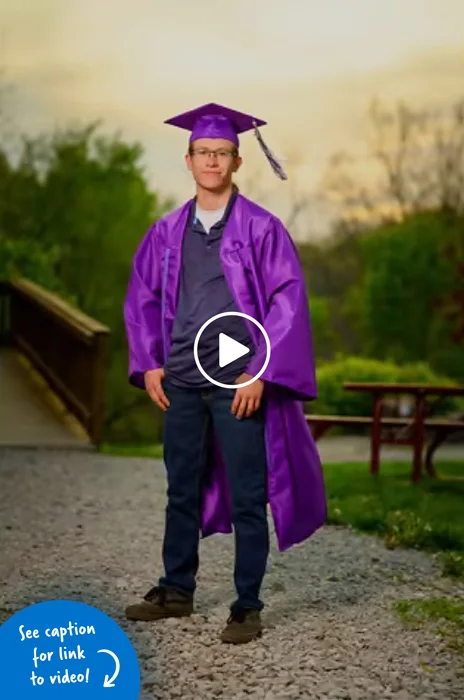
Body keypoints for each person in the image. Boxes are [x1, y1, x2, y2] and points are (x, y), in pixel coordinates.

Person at [123, 103, 327, 644]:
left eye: (222, 153)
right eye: (203, 153)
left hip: (239, 378)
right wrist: (148, 363)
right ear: (188, 160)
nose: (212, 160)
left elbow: (287, 301)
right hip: (182, 377)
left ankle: (247, 604)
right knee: (180, 486)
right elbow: (142, 298)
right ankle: (175, 590)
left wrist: (259, 370)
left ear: (236, 161)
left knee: (247, 491)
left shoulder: (262, 228)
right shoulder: (166, 231)